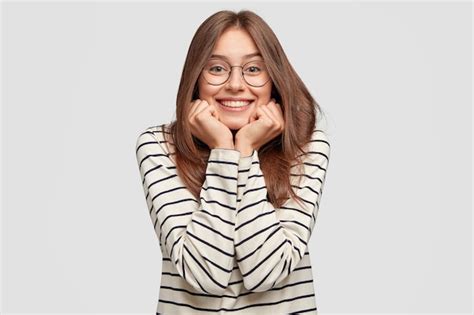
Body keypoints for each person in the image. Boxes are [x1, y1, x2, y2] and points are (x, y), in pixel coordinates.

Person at [135, 9, 331, 314]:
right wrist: (225, 150)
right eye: (216, 68)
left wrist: (244, 148)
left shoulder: (306, 146)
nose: (236, 84)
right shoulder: (159, 146)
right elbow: (204, 275)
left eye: (254, 69)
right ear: (195, 78)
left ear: (273, 79)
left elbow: (267, 271)